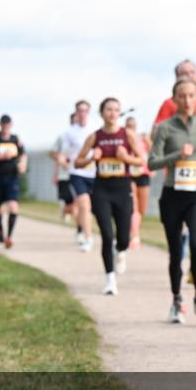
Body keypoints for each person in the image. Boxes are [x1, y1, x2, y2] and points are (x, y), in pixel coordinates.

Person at [148, 77, 196, 324]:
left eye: (191, 95)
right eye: (182, 96)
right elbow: (152, 162)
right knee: (176, 251)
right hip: (172, 195)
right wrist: (178, 155)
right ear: (174, 99)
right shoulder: (165, 128)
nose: (187, 100)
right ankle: (176, 301)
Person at [74, 98, 147, 295]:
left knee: (123, 237)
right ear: (102, 113)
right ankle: (110, 280)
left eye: (116, 110)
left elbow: (141, 160)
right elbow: (77, 163)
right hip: (102, 189)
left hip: (122, 188)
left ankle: (120, 251)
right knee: (107, 235)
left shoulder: (127, 134)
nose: (112, 113)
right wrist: (91, 158)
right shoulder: (95, 137)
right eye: (108, 109)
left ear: (119, 113)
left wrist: (126, 158)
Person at [152, 60, 196, 270]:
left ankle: (195, 264)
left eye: (192, 71)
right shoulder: (169, 104)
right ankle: (179, 258)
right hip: (177, 174)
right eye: (183, 72)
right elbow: (156, 132)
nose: (189, 75)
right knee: (179, 225)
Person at [52, 102, 97, 250]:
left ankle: (82, 229)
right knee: (84, 204)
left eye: (85, 111)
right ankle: (88, 237)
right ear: (76, 113)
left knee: (92, 208)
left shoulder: (95, 130)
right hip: (77, 173)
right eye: (80, 111)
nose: (83, 113)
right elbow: (61, 154)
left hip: (94, 173)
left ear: (89, 112)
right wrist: (62, 164)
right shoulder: (69, 133)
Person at [0, 115, 27, 249]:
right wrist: (0, 156)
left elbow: (23, 154)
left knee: (14, 206)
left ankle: (9, 237)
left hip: (12, 177)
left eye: (8, 124)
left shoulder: (15, 139)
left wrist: (23, 164)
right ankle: (0, 228)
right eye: (4, 124)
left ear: (11, 124)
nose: (6, 126)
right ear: (0, 124)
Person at [124, 116, 152, 249]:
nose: (131, 128)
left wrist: (149, 142)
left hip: (143, 175)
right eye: (128, 125)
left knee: (142, 209)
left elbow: (154, 154)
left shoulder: (142, 140)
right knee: (133, 207)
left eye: (133, 125)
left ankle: (134, 230)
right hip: (129, 175)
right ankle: (135, 237)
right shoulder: (123, 139)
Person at [51, 113, 78, 225]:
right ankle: (64, 211)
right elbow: (54, 154)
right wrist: (56, 174)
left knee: (80, 203)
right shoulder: (63, 137)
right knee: (71, 204)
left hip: (80, 174)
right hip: (64, 175)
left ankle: (80, 231)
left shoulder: (87, 136)